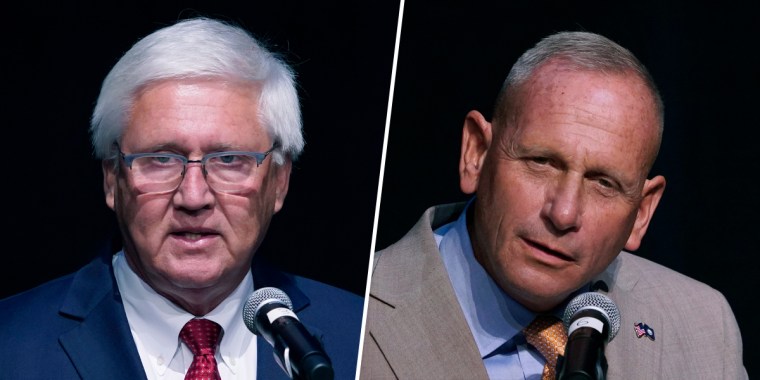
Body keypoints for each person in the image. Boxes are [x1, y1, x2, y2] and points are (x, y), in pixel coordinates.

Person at [359, 31, 747, 379]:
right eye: (541, 162)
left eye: (603, 184)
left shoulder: (705, 328)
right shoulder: (358, 311)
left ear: (642, 213)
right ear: (476, 153)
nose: (563, 213)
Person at [0, 17, 363, 379]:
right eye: (160, 159)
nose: (193, 197)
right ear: (112, 179)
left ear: (279, 182)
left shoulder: (357, 337)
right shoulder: (11, 347)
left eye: (228, 159)